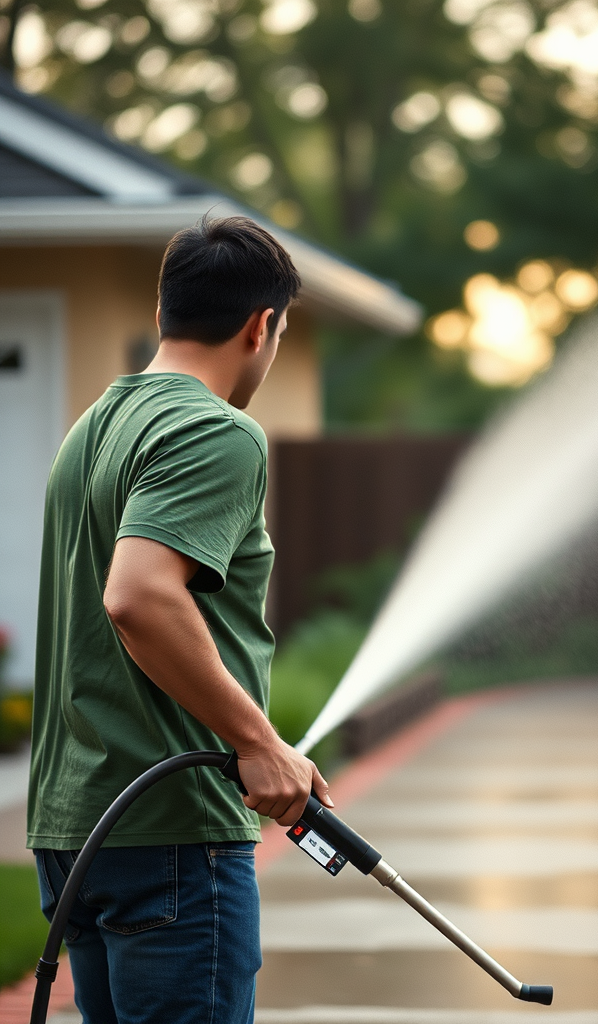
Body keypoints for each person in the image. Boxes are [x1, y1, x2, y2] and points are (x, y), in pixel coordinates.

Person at [26, 215, 333, 1024]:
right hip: (172, 832)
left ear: (166, 311)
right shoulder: (217, 431)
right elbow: (138, 596)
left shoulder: (91, 430)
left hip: (78, 830)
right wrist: (259, 743)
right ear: (261, 325)